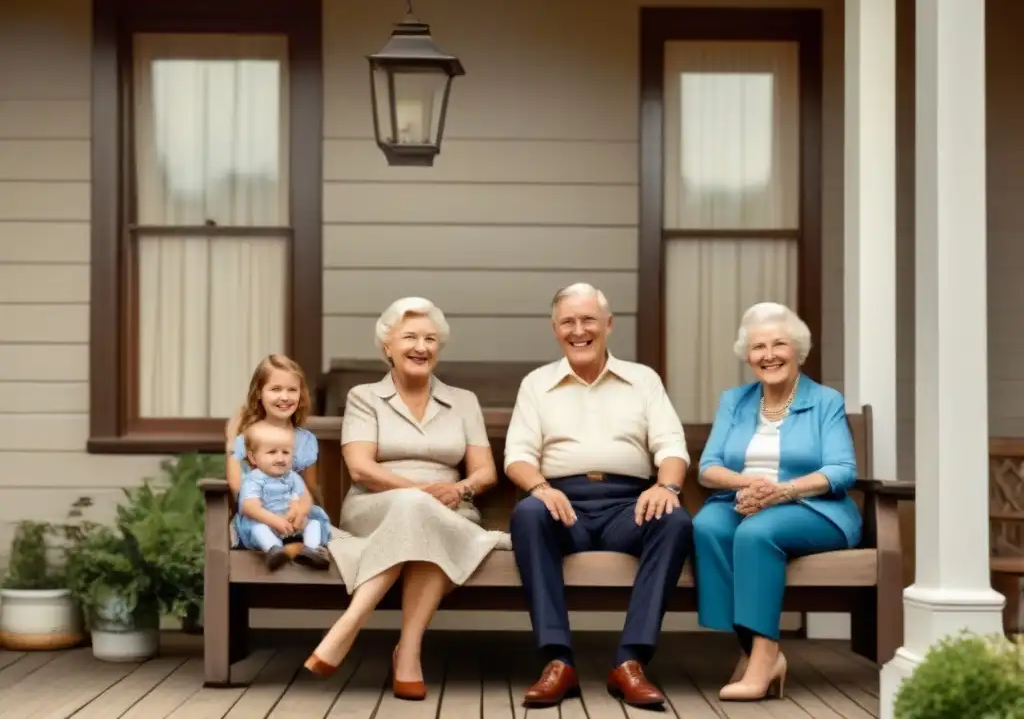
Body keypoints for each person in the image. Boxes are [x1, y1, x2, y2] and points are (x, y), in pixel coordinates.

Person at [304, 297, 510, 701]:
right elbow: (360, 468)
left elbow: (485, 472)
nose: (421, 347)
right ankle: (379, 637)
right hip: (375, 507)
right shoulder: (364, 396)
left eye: (430, 339)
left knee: (424, 520)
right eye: (410, 337)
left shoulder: (463, 401)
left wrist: (459, 489)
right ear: (388, 346)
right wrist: (419, 493)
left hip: (450, 509)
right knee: (417, 509)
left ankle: (386, 640)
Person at [504, 283, 692, 709]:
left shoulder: (643, 380)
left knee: (675, 519)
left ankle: (630, 662)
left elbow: (671, 445)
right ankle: (557, 661)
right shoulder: (536, 384)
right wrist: (540, 488)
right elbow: (518, 456)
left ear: (608, 324)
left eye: (588, 320)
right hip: (561, 502)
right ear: (555, 329)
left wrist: (666, 486)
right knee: (528, 515)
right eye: (567, 322)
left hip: (630, 504)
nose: (579, 330)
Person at [692, 302, 862, 702]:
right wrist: (750, 484)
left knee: (755, 533)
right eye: (758, 347)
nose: (769, 355)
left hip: (813, 508)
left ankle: (764, 657)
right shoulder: (735, 401)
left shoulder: (825, 401)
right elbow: (708, 468)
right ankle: (752, 651)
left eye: (779, 344)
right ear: (748, 355)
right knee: (707, 526)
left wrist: (783, 491)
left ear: (797, 349)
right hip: (745, 500)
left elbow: (842, 470)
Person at [225, 354, 324, 554]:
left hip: (295, 518)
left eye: (292, 390)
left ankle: (311, 552)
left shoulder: (306, 441)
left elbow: (310, 488)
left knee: (315, 522)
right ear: (259, 393)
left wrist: (299, 511)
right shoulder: (246, 439)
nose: (285, 397)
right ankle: (275, 550)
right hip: (260, 516)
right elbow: (237, 487)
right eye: (276, 389)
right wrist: (231, 442)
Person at [235, 421, 331, 570]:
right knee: (258, 529)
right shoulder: (254, 479)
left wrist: (296, 511)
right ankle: (274, 549)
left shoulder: (292, 477)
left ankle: (311, 549)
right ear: (253, 457)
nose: (280, 459)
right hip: (266, 521)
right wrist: (275, 521)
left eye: (285, 452)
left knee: (314, 524)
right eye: (272, 452)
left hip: (291, 524)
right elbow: (250, 507)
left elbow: (301, 498)